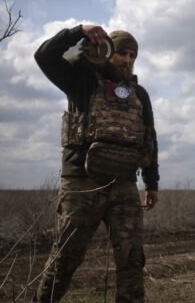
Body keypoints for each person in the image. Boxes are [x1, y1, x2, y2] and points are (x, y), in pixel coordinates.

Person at [33, 25, 159, 303]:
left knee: (131, 259)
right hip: (82, 184)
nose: (127, 60)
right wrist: (80, 31)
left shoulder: (139, 93)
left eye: (133, 55)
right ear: (107, 52)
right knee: (66, 257)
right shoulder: (80, 80)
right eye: (122, 53)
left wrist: (152, 183)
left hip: (124, 184)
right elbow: (44, 56)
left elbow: (149, 138)